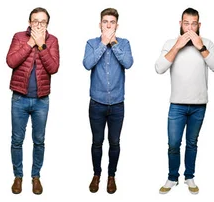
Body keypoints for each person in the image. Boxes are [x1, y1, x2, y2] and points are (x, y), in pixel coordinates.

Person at [154, 7, 214, 195]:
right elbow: (159, 68)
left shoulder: (206, 43)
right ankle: (172, 177)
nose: (190, 28)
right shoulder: (170, 43)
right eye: (186, 24)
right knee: (174, 143)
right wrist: (177, 46)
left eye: (194, 24)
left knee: (192, 143)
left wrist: (201, 47)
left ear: (199, 25)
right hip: (177, 104)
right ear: (180, 24)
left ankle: (189, 176)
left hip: (199, 105)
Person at [6, 7, 60, 195]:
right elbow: (11, 61)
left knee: (39, 140)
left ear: (47, 24)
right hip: (19, 98)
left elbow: (53, 68)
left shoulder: (52, 41)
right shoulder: (19, 37)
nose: (38, 24)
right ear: (29, 23)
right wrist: (30, 43)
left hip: (41, 100)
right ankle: (18, 177)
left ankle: (35, 176)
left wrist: (42, 45)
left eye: (42, 22)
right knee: (17, 140)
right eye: (35, 21)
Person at [82, 7, 134, 194]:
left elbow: (128, 63)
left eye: (112, 22)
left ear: (117, 25)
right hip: (96, 103)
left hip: (117, 104)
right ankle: (97, 175)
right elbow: (87, 64)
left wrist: (114, 44)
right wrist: (103, 44)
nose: (108, 25)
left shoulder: (125, 43)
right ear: (100, 24)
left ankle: (111, 176)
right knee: (97, 142)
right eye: (105, 22)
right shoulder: (91, 43)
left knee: (114, 142)